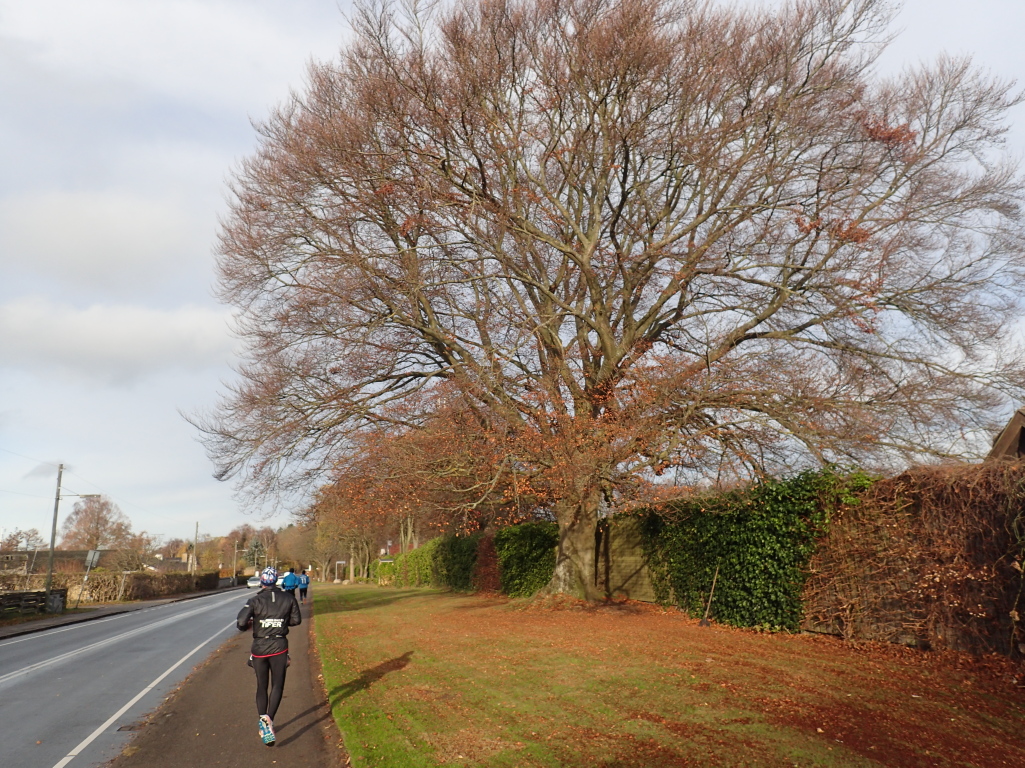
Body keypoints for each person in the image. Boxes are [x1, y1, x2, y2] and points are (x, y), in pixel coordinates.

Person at [237, 566, 301, 746]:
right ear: (276, 581)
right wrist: (280, 621)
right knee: (277, 686)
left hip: (259, 647)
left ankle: (263, 721)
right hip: (279, 646)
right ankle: (268, 720)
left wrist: (253, 624)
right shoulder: (288, 598)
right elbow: (296, 620)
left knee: (261, 686)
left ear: (262, 581)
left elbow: (241, 622)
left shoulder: (255, 600)